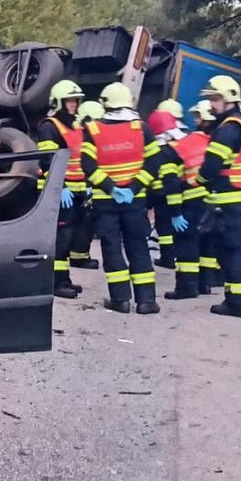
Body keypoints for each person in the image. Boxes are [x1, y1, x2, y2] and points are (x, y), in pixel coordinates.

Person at [81, 82, 177, 314]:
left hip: (106, 202)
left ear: (105, 103)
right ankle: (146, 301)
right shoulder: (141, 129)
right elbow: (154, 163)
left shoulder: (93, 129)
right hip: (135, 202)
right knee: (138, 247)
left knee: (112, 248)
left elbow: (88, 165)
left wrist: (111, 187)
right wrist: (133, 188)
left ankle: (121, 300)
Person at [199, 75, 241, 318]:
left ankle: (238, 305)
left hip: (228, 201)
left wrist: (201, 182)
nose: (212, 105)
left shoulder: (227, 130)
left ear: (229, 100)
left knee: (230, 253)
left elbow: (210, 167)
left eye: (215, 99)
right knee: (236, 251)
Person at [35, 79, 88, 299]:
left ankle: (63, 279)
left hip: (75, 192)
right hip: (58, 191)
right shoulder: (49, 127)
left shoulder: (76, 126)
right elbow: (48, 160)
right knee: (61, 238)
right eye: (69, 101)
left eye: (76, 100)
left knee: (69, 237)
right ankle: (56, 283)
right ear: (58, 102)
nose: (74, 104)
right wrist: (62, 187)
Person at [162, 102, 213, 300]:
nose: (196, 120)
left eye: (198, 117)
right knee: (208, 244)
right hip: (216, 201)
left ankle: (186, 287)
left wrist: (175, 211)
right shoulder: (221, 143)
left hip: (192, 202)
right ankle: (205, 284)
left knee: (187, 244)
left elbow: (171, 180)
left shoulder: (183, 144)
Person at [145, 100, 187, 274]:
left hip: (165, 194)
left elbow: (169, 180)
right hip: (175, 193)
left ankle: (168, 257)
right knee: (167, 228)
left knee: (165, 227)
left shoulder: (164, 151)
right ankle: (169, 257)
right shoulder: (181, 143)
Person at [67, 99, 104, 270]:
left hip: (71, 187)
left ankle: (75, 255)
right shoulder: (89, 138)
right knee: (84, 224)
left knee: (73, 224)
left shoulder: (73, 133)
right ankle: (80, 257)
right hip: (82, 187)